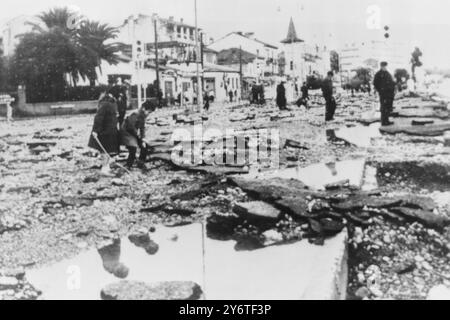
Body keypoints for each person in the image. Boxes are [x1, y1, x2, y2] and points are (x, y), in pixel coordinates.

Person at [88, 92, 120, 176]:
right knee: (105, 151)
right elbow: (98, 118)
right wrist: (95, 131)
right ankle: (104, 169)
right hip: (105, 132)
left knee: (107, 151)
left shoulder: (109, 104)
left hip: (109, 132)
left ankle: (107, 167)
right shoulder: (107, 105)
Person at [120, 100, 155, 169]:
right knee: (133, 147)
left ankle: (141, 162)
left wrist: (143, 138)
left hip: (133, 133)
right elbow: (130, 127)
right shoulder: (135, 114)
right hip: (126, 133)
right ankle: (128, 165)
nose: (149, 114)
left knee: (145, 145)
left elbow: (142, 128)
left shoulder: (143, 116)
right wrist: (138, 137)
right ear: (144, 108)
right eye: (149, 112)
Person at [373, 61, 396, 126]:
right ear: (381, 66)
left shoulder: (388, 73)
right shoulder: (378, 74)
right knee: (383, 107)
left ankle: (387, 120)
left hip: (389, 93)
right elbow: (375, 83)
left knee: (388, 107)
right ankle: (383, 121)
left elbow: (391, 82)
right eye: (383, 66)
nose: (385, 67)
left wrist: (394, 85)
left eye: (385, 66)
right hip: (383, 94)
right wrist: (380, 90)